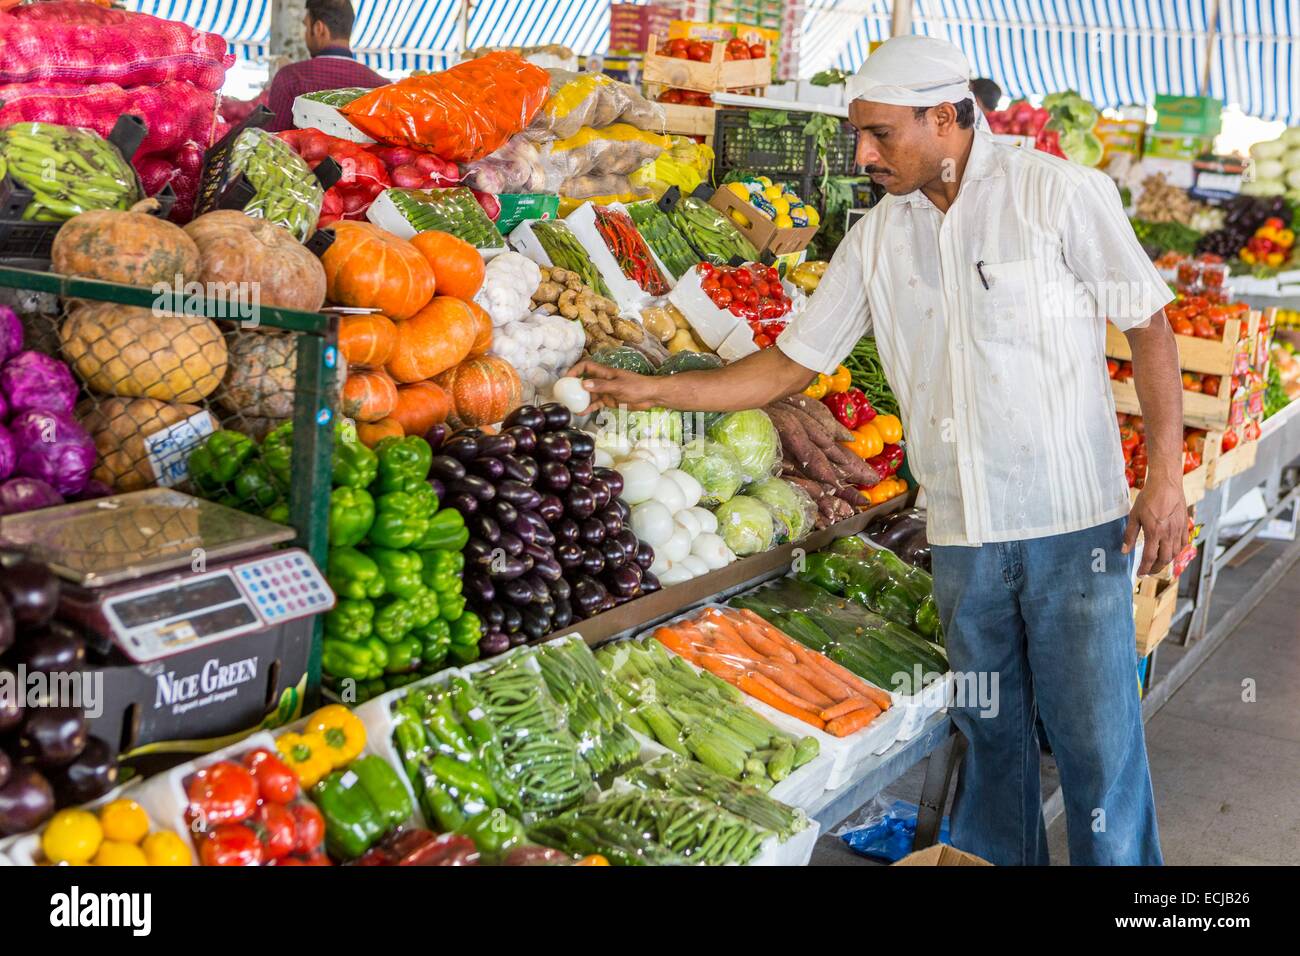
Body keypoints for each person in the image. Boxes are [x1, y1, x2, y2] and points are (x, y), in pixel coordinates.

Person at [569, 34, 1185, 867]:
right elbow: (791, 364)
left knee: (1097, 745)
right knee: (991, 740)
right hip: (962, 536)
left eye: (879, 134)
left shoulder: (1057, 194)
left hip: (1071, 527)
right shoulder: (879, 236)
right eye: (858, 134)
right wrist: (655, 390)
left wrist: (1168, 480)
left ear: (945, 116)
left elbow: (1149, 323)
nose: (861, 153)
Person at [265, 0, 388, 132]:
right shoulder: (382, 88)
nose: (304, 34)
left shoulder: (290, 77)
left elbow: (272, 141)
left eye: (306, 26)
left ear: (319, 29)